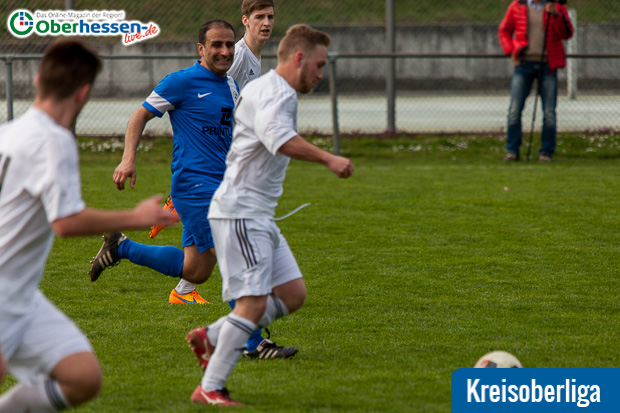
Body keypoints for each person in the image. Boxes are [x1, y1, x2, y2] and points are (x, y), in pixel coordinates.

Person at [0, 38, 175, 412]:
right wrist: (136, 218)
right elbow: (65, 222)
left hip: (21, 295)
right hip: (3, 291)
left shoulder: (10, 132)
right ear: (83, 93)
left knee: (82, 376)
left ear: (36, 81)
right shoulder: (54, 140)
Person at [186, 24, 354, 406]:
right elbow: (280, 140)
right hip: (241, 213)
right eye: (319, 65)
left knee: (293, 293)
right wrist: (329, 158)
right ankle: (211, 387)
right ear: (299, 59)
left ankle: (212, 336)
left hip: (256, 213)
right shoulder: (275, 94)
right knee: (253, 305)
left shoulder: (271, 89)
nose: (320, 74)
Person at [88, 19, 240, 306]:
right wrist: (127, 159)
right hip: (195, 187)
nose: (224, 51)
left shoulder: (231, 85)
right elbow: (139, 116)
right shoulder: (181, 82)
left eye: (229, 45)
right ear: (201, 48)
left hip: (221, 185)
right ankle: (253, 339)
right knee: (235, 253)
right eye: (216, 45)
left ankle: (121, 248)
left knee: (197, 269)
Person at [499, 0, 573, 162]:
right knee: (514, 110)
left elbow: (567, 33)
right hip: (524, 64)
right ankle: (512, 151)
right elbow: (504, 30)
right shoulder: (517, 6)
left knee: (549, 112)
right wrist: (511, 50)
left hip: (548, 64)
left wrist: (556, 15)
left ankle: (546, 152)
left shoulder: (556, 7)